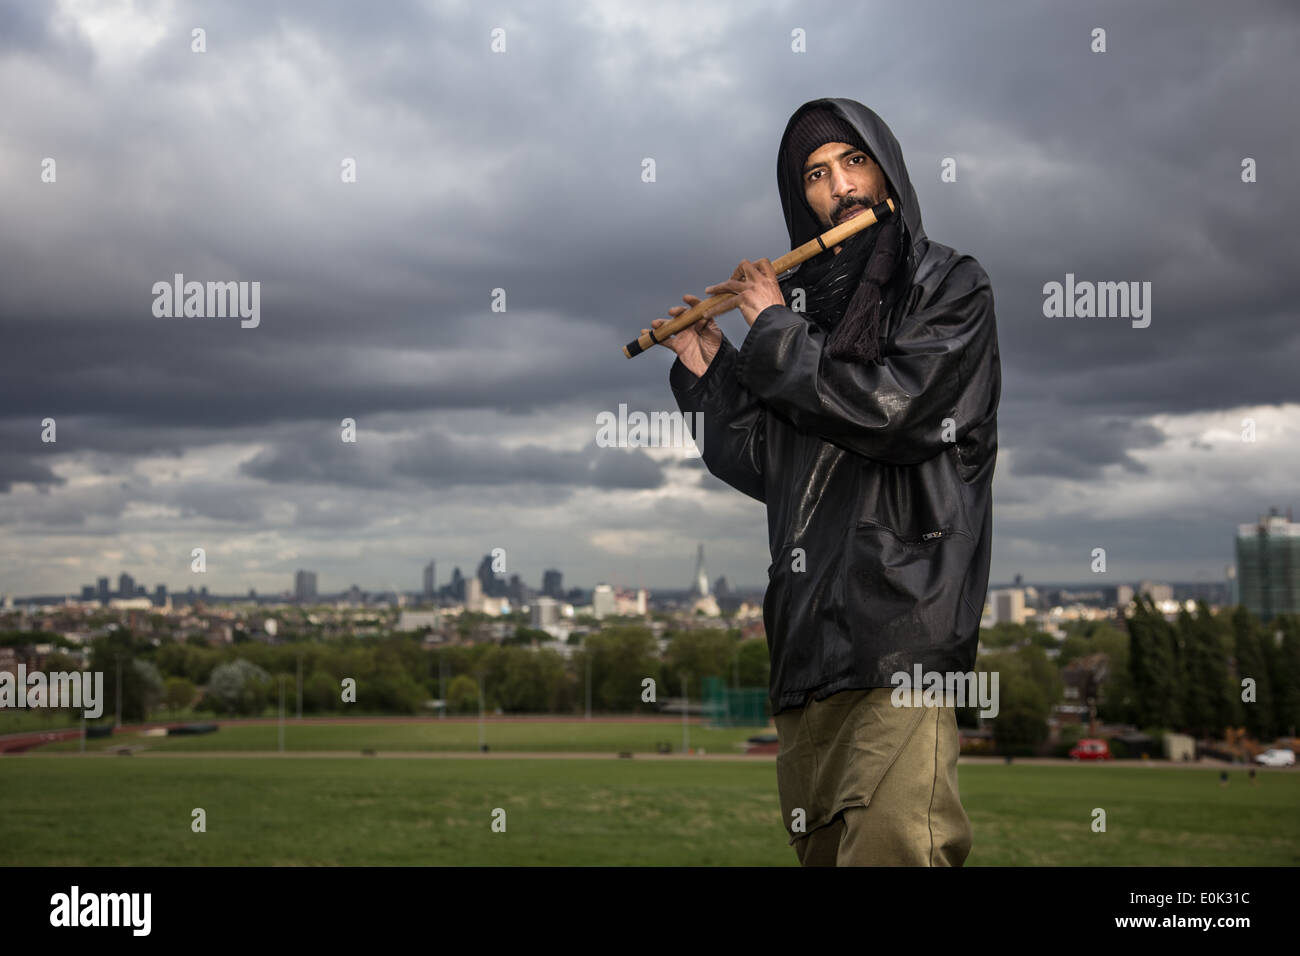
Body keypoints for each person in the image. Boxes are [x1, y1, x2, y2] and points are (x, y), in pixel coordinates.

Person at [643, 98, 1001, 865]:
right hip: (807, 643)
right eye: (815, 174)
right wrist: (713, 373)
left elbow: (893, 411)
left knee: (895, 850)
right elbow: (774, 465)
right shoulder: (807, 313)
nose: (838, 186)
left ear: (889, 171)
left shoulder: (950, 284)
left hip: (901, 632)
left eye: (853, 161)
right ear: (799, 199)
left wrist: (772, 331)